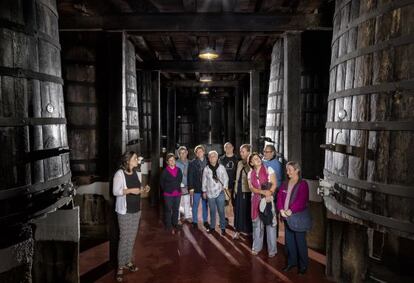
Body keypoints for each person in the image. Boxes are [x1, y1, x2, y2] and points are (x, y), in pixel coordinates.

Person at [113, 151, 150, 282]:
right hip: (124, 210)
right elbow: (116, 191)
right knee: (124, 238)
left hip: (136, 210)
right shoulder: (119, 174)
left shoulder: (136, 172)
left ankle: (128, 261)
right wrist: (129, 191)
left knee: (132, 238)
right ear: (128, 160)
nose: (137, 160)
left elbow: (138, 188)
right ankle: (120, 267)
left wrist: (143, 189)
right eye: (135, 158)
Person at [277, 161, 310, 275]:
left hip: (298, 218)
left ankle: (303, 265)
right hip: (286, 218)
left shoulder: (303, 184)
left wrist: (291, 210)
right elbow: (280, 197)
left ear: (297, 170)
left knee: (300, 243)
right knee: (289, 242)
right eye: (287, 170)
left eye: (290, 170)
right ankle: (292, 262)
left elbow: (302, 200)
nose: (287, 172)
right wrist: (281, 209)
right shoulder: (285, 183)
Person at [247, 152, 277, 257]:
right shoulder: (250, 174)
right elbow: (251, 188)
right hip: (256, 199)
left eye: (258, 158)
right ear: (251, 163)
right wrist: (263, 192)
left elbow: (274, 184)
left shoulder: (269, 169)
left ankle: (272, 250)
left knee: (270, 224)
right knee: (257, 224)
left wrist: (270, 193)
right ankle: (256, 247)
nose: (258, 159)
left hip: (268, 199)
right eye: (254, 159)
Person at [202, 151, 229, 235]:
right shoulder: (206, 169)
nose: (212, 158)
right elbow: (204, 181)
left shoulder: (221, 167)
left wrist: (224, 187)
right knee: (212, 211)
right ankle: (212, 227)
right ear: (208, 158)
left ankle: (223, 227)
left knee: (221, 211)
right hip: (210, 193)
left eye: (213, 156)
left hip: (220, 192)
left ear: (217, 158)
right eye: (210, 157)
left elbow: (226, 178)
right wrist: (204, 191)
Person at [233, 144, 252, 239]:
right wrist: (235, 189)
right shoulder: (240, 163)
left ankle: (248, 230)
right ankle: (238, 230)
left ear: (249, 152)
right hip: (239, 189)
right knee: (238, 210)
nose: (241, 153)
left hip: (249, 190)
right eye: (240, 151)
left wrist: (249, 162)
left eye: (243, 151)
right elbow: (237, 177)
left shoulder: (252, 162)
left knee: (248, 210)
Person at [160, 153, 183, 234]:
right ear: (167, 162)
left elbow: (180, 179)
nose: (172, 161)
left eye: (173, 160)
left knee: (176, 209)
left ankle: (175, 223)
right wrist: (167, 189)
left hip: (177, 193)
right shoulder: (165, 171)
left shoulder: (179, 170)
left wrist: (175, 187)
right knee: (168, 210)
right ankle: (168, 225)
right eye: (170, 160)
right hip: (168, 194)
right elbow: (162, 183)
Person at [188, 145, 209, 229]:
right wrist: (191, 188)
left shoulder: (208, 161)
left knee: (205, 205)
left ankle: (205, 221)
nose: (200, 153)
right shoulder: (192, 163)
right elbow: (190, 176)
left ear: (204, 152)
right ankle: (195, 221)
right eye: (198, 152)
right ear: (196, 154)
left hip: (206, 188)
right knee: (195, 205)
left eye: (201, 151)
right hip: (196, 187)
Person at [219, 142, 239, 213]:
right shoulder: (221, 159)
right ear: (224, 149)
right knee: (224, 203)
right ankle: (224, 220)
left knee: (235, 203)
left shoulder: (237, 159)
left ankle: (236, 220)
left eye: (230, 147)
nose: (228, 148)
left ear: (233, 148)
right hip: (224, 185)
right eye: (226, 147)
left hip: (234, 184)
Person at [176, 146, 192, 222]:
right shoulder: (176, 163)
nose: (183, 154)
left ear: (187, 153)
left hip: (187, 185)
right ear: (179, 154)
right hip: (178, 186)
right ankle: (177, 218)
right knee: (178, 202)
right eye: (181, 153)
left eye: (184, 153)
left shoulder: (190, 162)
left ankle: (187, 216)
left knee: (187, 201)